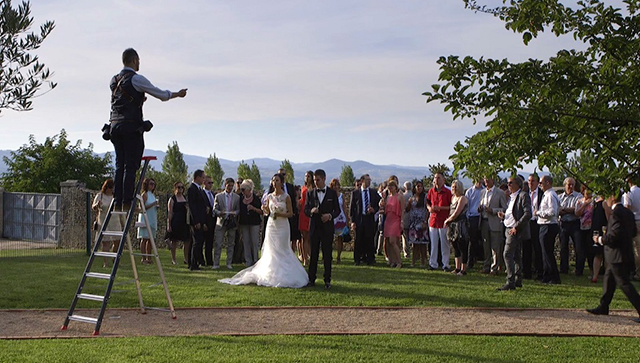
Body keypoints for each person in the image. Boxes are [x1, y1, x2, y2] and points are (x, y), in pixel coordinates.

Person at [109, 48, 187, 211]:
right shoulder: (136, 79)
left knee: (119, 164)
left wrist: (138, 100)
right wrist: (176, 94)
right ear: (134, 60)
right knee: (130, 166)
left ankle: (117, 201)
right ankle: (127, 201)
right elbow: (160, 94)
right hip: (130, 127)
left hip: (114, 126)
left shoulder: (114, 80)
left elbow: (122, 102)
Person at [220, 174, 308, 288]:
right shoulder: (270, 197)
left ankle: (285, 272)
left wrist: (279, 213)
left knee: (282, 248)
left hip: (282, 225)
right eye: (273, 180)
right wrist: (265, 209)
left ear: (281, 182)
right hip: (271, 225)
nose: (274, 182)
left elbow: (290, 213)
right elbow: (266, 212)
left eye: (277, 180)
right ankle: (271, 271)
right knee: (271, 249)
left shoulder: (286, 197)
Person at [586, 192, 640, 324]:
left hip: (617, 254)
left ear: (611, 197)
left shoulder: (615, 214)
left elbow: (614, 235)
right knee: (609, 280)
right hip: (622, 253)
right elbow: (633, 232)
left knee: (624, 283)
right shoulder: (628, 212)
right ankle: (604, 306)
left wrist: (600, 239)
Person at [304, 169, 341, 289]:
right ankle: (311, 279)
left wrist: (329, 216)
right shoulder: (310, 193)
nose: (315, 182)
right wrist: (311, 212)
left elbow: (337, 210)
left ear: (324, 179)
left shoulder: (331, 193)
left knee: (327, 255)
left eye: (318, 180)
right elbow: (305, 210)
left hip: (327, 228)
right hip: (315, 227)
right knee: (313, 254)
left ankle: (327, 280)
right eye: (314, 180)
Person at [496, 176, 531, 290]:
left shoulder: (523, 195)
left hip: (514, 229)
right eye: (508, 183)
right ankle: (517, 279)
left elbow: (527, 214)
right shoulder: (511, 197)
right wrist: (504, 216)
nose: (508, 185)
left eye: (511, 183)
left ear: (518, 184)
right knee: (516, 255)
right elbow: (513, 212)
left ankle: (510, 281)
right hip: (508, 227)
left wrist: (516, 226)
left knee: (507, 254)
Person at [535, 175, 562, 284]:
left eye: (541, 183)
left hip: (548, 225)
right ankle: (547, 276)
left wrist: (538, 213)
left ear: (547, 183)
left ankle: (554, 277)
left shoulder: (550, 195)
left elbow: (552, 212)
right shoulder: (547, 195)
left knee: (547, 252)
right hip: (545, 225)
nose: (540, 185)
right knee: (545, 252)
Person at [479, 175, 507, 275]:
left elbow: (504, 209)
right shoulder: (482, 192)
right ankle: (486, 266)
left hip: (495, 221)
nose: (486, 180)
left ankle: (494, 268)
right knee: (486, 245)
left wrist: (493, 211)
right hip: (484, 221)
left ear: (493, 179)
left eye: (488, 178)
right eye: (484, 178)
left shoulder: (499, 193)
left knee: (495, 246)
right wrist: (480, 209)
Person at [350, 174, 381, 266]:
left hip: (369, 219)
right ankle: (357, 259)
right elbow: (352, 209)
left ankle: (370, 259)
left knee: (369, 239)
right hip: (359, 219)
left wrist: (374, 209)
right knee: (358, 240)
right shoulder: (355, 193)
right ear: (362, 181)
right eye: (367, 180)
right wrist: (352, 221)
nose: (369, 181)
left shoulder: (373, 192)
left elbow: (379, 204)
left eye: (370, 180)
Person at [92, 178, 122, 268]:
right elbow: (93, 207)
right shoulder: (100, 195)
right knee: (106, 242)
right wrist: (97, 205)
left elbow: (120, 208)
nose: (111, 189)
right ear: (106, 187)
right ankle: (106, 263)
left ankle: (115, 259)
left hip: (115, 221)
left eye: (112, 187)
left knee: (117, 241)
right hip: (104, 220)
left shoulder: (116, 196)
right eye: (110, 187)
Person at [427, 173, 453, 271]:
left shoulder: (447, 192)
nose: (436, 180)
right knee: (433, 244)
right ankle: (433, 263)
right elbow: (428, 202)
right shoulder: (431, 191)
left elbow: (451, 206)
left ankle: (445, 264)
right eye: (435, 178)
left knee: (444, 243)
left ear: (443, 180)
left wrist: (440, 208)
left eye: (439, 178)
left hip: (444, 220)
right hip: (433, 220)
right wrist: (430, 208)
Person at [558, 177, 584, 275]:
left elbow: (576, 210)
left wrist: (564, 210)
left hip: (575, 223)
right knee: (563, 247)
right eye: (569, 184)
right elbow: (558, 210)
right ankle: (564, 268)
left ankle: (579, 269)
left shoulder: (578, 196)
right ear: (565, 185)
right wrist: (569, 210)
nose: (571, 186)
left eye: (572, 184)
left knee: (578, 247)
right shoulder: (560, 197)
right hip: (563, 224)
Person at [213, 178, 240, 269]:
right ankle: (216, 263)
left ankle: (229, 263)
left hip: (231, 222)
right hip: (221, 222)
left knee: (231, 243)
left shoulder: (237, 197)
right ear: (225, 185)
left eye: (232, 186)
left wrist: (235, 213)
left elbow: (238, 210)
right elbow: (214, 209)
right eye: (229, 185)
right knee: (218, 243)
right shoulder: (218, 196)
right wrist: (220, 212)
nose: (230, 187)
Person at [444, 180, 469, 276]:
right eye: (453, 186)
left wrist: (447, 220)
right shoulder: (453, 198)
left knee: (462, 246)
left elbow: (457, 213)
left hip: (461, 224)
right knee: (455, 246)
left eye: (455, 187)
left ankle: (463, 269)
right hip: (452, 225)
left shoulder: (462, 198)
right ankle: (457, 267)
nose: (454, 188)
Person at [238, 179, 263, 267]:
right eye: (242, 190)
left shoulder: (256, 199)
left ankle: (255, 260)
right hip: (244, 223)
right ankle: (248, 260)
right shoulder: (240, 198)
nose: (242, 192)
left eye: (244, 190)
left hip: (254, 223)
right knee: (246, 242)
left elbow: (261, 211)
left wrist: (253, 208)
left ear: (249, 189)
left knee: (254, 242)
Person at [381, 180, 405, 268]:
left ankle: (399, 261)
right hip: (388, 220)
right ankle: (392, 260)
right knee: (388, 242)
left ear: (396, 187)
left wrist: (402, 221)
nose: (390, 188)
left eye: (392, 186)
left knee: (393, 241)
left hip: (396, 220)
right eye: (389, 186)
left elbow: (402, 210)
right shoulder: (387, 197)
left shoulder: (399, 197)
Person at [187, 170, 208, 271]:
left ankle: (195, 262)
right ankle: (193, 264)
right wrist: (196, 222)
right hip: (196, 221)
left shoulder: (199, 189)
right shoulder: (192, 189)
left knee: (198, 242)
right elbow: (192, 207)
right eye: (203, 177)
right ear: (197, 177)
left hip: (201, 220)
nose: (204, 180)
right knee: (197, 242)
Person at [406, 181, 429, 268]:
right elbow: (407, 210)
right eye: (417, 186)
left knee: (423, 244)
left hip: (422, 222)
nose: (419, 188)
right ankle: (414, 261)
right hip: (413, 223)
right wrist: (409, 203)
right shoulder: (412, 197)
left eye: (420, 186)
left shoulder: (425, 197)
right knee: (415, 244)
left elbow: (427, 210)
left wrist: (425, 221)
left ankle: (423, 261)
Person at [525, 173, 544, 280]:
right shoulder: (525, 193)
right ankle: (527, 272)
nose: (530, 183)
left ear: (537, 182)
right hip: (527, 223)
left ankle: (539, 272)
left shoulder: (542, 194)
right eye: (529, 181)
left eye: (532, 181)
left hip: (537, 223)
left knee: (538, 248)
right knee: (526, 248)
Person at [167, 182, 189, 265]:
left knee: (187, 240)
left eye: (182, 187)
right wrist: (168, 225)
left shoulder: (185, 198)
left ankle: (186, 259)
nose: (180, 189)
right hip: (176, 221)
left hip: (184, 221)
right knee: (174, 241)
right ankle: (173, 259)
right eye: (178, 187)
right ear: (175, 188)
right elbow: (170, 212)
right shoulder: (172, 199)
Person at [137, 177, 158, 264]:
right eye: (151, 184)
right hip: (145, 218)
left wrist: (156, 206)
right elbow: (141, 208)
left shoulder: (152, 195)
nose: (152, 186)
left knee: (150, 239)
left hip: (152, 217)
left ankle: (149, 257)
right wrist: (153, 204)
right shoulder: (144, 195)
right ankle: (143, 258)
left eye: (153, 184)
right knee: (144, 238)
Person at [575, 185, 594, 280]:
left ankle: (592, 270)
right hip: (581, 228)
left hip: (590, 228)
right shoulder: (579, 201)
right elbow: (577, 213)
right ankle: (579, 270)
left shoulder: (594, 202)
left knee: (590, 250)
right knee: (580, 249)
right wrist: (584, 205)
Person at [623, 177, 640, 280]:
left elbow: (627, 209)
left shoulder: (628, 193)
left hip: (633, 221)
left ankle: (636, 272)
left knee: (635, 249)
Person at [465, 179, 484, 269]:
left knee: (482, 239)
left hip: (482, 216)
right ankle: (470, 261)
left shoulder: (485, 191)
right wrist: (468, 217)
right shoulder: (470, 191)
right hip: (472, 217)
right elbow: (467, 206)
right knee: (472, 240)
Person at [330, 179, 348, 264]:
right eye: (335, 185)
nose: (336, 187)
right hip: (332, 218)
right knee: (330, 238)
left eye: (338, 185)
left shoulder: (341, 196)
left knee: (340, 238)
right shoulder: (330, 195)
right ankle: (329, 255)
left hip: (340, 218)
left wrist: (347, 218)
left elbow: (344, 207)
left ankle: (338, 256)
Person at [298, 171, 314, 266]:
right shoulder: (303, 188)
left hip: (311, 212)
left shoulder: (314, 189)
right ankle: (304, 258)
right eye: (305, 176)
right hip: (303, 213)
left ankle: (311, 256)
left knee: (311, 237)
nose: (307, 178)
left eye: (308, 176)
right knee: (304, 237)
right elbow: (302, 199)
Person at [202, 176, 217, 267]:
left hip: (212, 221)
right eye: (209, 183)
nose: (210, 185)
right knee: (201, 242)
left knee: (210, 242)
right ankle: (200, 260)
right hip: (204, 221)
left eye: (212, 183)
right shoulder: (201, 193)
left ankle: (209, 260)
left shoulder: (212, 194)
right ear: (204, 183)